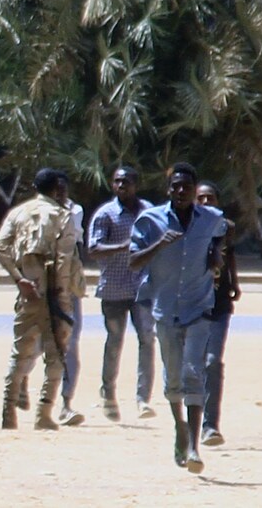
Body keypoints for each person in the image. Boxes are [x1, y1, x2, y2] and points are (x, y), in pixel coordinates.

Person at [129, 162, 227, 474]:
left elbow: (226, 230)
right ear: (168, 189)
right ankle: (180, 429)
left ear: (195, 190)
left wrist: (215, 254)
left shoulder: (210, 218)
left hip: (199, 309)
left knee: (193, 373)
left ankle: (195, 446)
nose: (181, 191)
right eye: (176, 186)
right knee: (173, 379)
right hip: (165, 310)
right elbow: (133, 262)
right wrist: (160, 244)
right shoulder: (150, 220)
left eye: (187, 186)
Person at [0, 168, 80, 430]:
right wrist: (62, 293)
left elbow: (0, 246)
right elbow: (65, 257)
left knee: (20, 352)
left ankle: (8, 413)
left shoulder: (18, 213)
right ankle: (44, 413)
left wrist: (19, 279)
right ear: (56, 189)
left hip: (28, 290)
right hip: (54, 290)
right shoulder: (61, 215)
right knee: (55, 354)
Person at [88, 166, 157, 422]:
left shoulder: (148, 212)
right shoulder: (106, 215)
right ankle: (108, 393)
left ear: (135, 185)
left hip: (143, 288)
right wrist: (123, 247)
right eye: (117, 182)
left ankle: (143, 399)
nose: (121, 186)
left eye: (126, 182)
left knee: (148, 340)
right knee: (115, 341)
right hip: (114, 288)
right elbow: (93, 249)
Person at [17, 189, 87, 426]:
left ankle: (65, 404)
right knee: (37, 340)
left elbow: (73, 252)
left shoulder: (73, 211)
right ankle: (23, 379)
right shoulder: (31, 214)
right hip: (42, 288)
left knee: (70, 343)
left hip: (66, 289)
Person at [195, 181, 240, 446]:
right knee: (192, 366)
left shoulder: (225, 227)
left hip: (219, 305)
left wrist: (234, 282)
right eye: (200, 198)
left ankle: (210, 425)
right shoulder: (187, 227)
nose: (205, 202)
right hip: (192, 305)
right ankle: (190, 423)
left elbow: (230, 255)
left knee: (213, 362)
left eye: (210, 198)